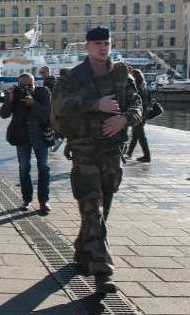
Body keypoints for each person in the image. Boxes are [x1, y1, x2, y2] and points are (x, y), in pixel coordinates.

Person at [51, 26, 142, 295]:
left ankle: (82, 250)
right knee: (93, 211)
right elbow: (59, 106)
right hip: (85, 151)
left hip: (113, 154)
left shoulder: (122, 74)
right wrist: (95, 104)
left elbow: (139, 105)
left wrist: (125, 118)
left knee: (101, 213)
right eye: (98, 43)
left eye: (107, 43)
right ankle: (102, 272)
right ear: (87, 47)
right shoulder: (74, 77)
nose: (103, 48)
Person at [0, 73, 52, 214]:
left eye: (29, 85)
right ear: (18, 84)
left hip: (41, 137)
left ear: (34, 83)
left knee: (44, 167)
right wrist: (9, 100)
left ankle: (44, 201)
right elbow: (3, 115)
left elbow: (48, 114)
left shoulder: (43, 92)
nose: (26, 89)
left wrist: (33, 104)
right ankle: (26, 200)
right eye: (23, 85)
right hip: (22, 137)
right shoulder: (15, 94)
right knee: (24, 168)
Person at [126, 69, 151, 163]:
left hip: (140, 114)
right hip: (144, 113)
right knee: (136, 134)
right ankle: (129, 153)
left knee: (141, 136)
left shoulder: (138, 88)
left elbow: (138, 102)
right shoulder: (144, 86)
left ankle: (147, 156)